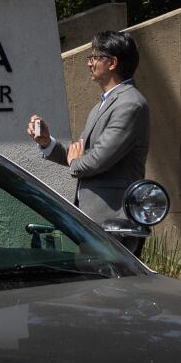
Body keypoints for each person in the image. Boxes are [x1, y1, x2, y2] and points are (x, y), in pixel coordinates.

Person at [27, 29, 151, 225]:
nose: (88, 63)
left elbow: (99, 159)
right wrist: (47, 142)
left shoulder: (130, 104)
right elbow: (79, 153)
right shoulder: (102, 105)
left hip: (114, 220)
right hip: (95, 219)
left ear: (112, 63)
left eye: (94, 57)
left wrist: (76, 162)